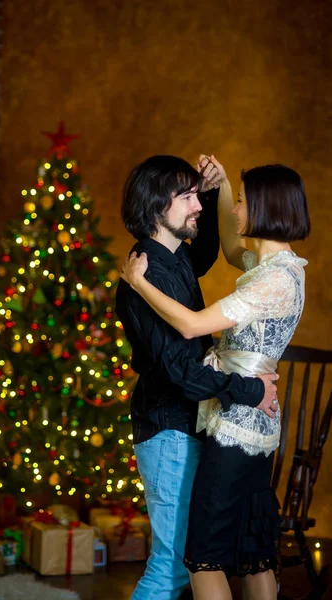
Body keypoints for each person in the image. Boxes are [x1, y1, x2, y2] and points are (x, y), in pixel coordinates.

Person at [120, 156, 310, 600]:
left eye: (242, 201)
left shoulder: (262, 278)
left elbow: (193, 314)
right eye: (186, 197)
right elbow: (224, 250)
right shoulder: (271, 269)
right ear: (156, 207)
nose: (204, 207)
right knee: (226, 554)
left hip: (230, 421)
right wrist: (222, 186)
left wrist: (137, 283)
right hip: (203, 421)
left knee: (209, 555)